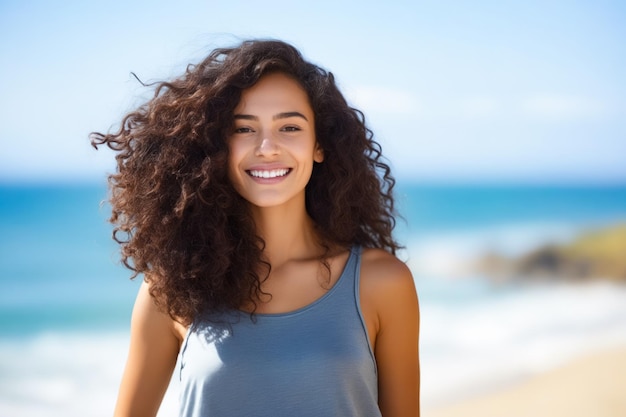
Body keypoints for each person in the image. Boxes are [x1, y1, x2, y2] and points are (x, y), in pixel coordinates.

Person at [92, 39, 419, 417]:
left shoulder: (382, 283)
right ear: (217, 146)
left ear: (320, 145)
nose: (267, 147)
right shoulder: (171, 288)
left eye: (290, 127)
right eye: (244, 129)